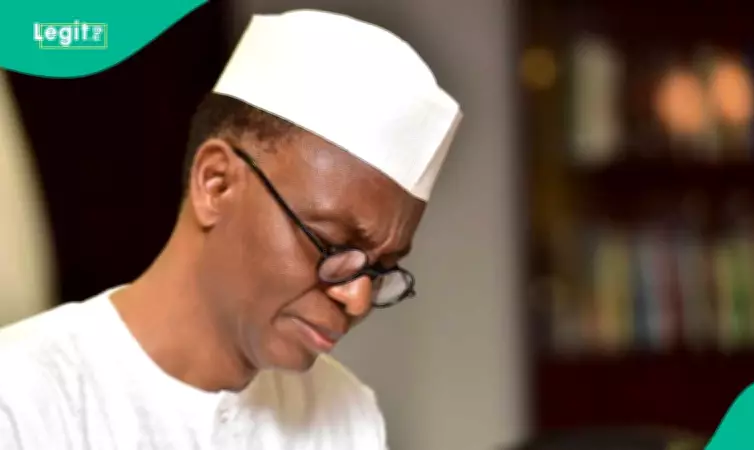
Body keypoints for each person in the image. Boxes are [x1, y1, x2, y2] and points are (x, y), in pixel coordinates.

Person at [0, 9, 462, 450]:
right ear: (216, 183)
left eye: (381, 269)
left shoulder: (344, 415)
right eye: (332, 244)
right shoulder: (24, 397)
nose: (357, 300)